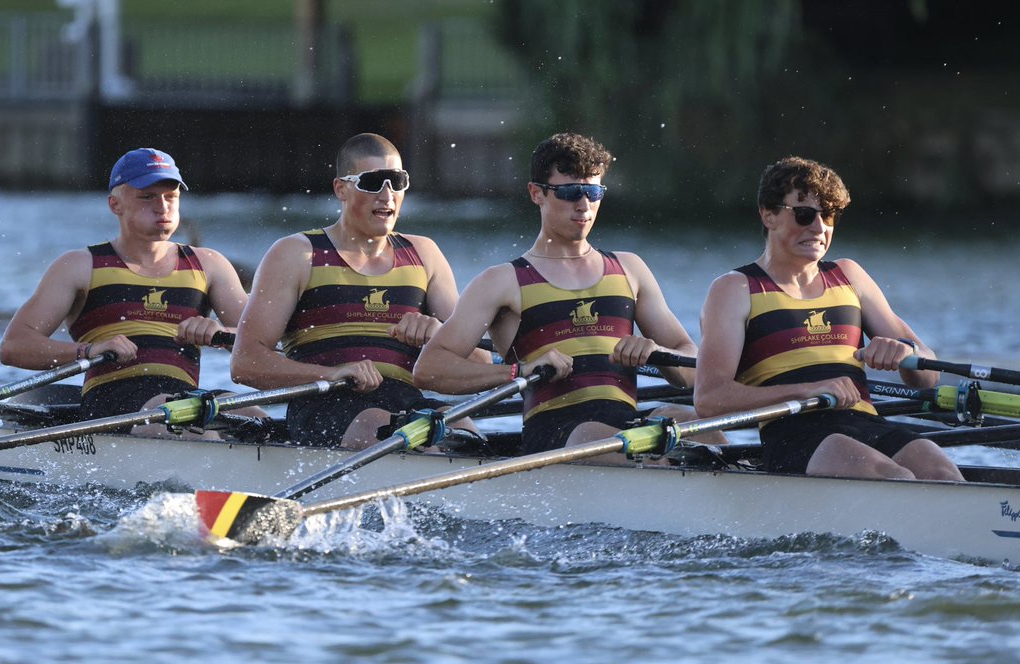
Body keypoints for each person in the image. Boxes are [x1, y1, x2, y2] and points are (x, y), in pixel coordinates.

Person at [413, 132, 722, 460]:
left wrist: (657, 351)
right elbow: (430, 368)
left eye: (593, 192)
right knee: (614, 440)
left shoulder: (630, 269)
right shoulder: (501, 282)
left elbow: (691, 369)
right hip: (557, 431)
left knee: (705, 429)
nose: (584, 205)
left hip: (626, 426)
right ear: (537, 194)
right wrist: (518, 373)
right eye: (571, 192)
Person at [693, 156, 964, 480]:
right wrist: (806, 390)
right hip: (795, 433)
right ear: (768, 215)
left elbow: (928, 374)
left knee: (939, 469)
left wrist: (906, 352)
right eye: (805, 214)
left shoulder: (849, 275)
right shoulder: (735, 289)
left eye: (829, 214)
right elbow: (709, 399)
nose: (819, 227)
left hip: (865, 422)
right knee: (895, 479)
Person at [230, 133, 489, 449]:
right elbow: (245, 363)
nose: (387, 195)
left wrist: (441, 334)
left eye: (396, 181)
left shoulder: (424, 254)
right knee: (377, 424)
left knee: (462, 427)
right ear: (341, 189)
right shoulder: (296, 254)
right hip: (325, 403)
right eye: (373, 182)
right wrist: (332, 374)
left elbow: (481, 365)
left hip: (407, 402)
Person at [0, 147, 263, 428]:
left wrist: (220, 333)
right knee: (189, 424)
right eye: (147, 197)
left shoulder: (209, 264)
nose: (162, 207)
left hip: (182, 399)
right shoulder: (79, 266)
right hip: (110, 400)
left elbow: (260, 342)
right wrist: (88, 350)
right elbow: (14, 346)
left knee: (258, 419)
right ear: (115, 205)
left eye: (170, 197)